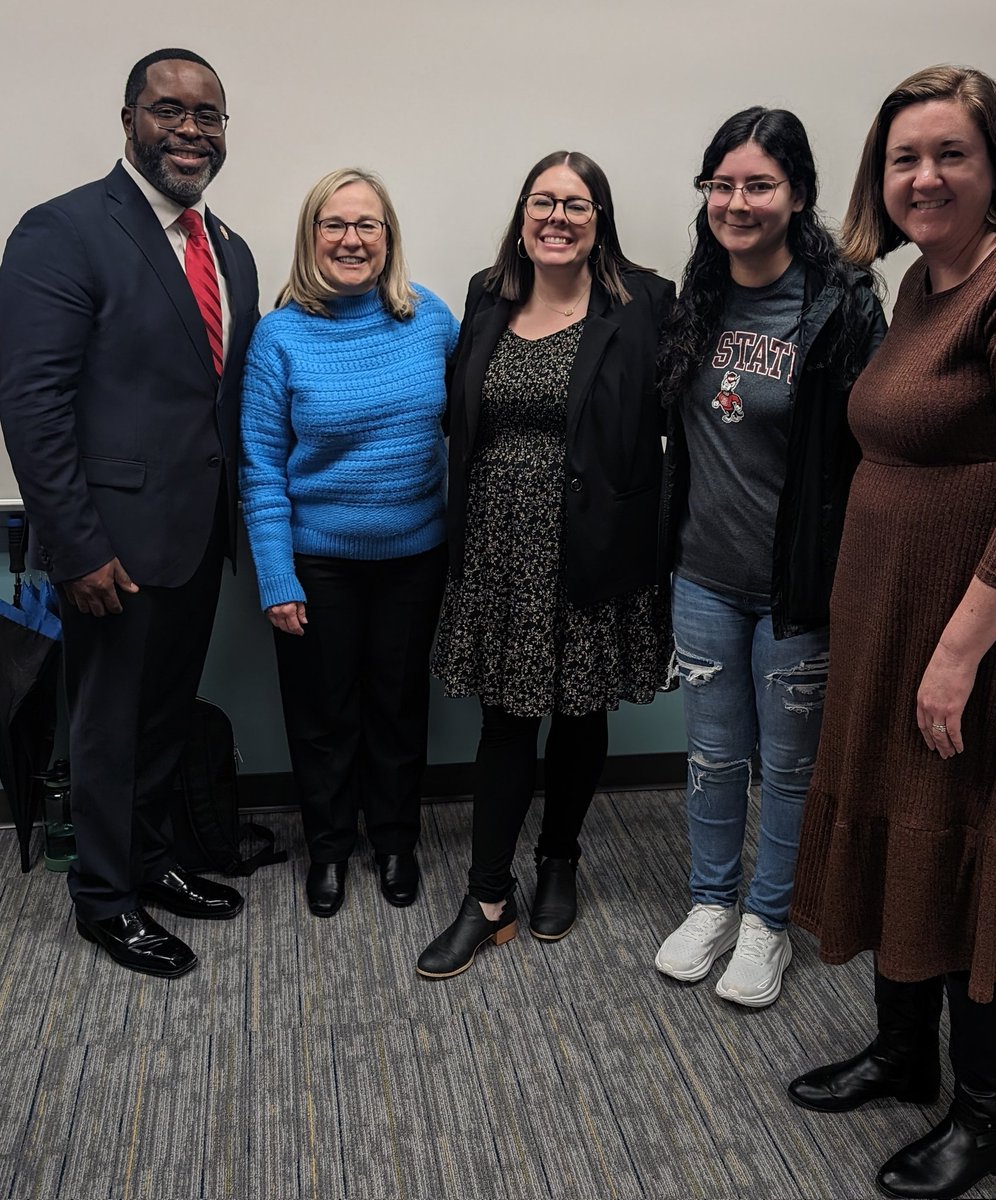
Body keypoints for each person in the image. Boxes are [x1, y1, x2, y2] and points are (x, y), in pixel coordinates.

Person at [787, 65, 996, 1200]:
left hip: (986, 632)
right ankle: (899, 1050)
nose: (922, 177)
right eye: (902, 158)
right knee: (901, 821)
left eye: (949, 154)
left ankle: (987, 1115)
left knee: (973, 834)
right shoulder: (924, 284)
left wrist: (959, 651)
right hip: (892, 615)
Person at [0, 49, 259, 978]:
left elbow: (215, 396)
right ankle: (105, 900)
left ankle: (156, 860)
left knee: (161, 718)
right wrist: (73, 546)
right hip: (107, 545)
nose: (192, 130)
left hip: (194, 538)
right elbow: (32, 404)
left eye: (210, 116)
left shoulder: (228, 247)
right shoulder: (62, 230)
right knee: (106, 727)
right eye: (170, 111)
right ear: (128, 120)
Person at [417, 151, 675, 979]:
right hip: (499, 545)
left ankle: (559, 859)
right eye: (543, 202)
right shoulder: (485, 296)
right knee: (505, 720)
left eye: (577, 204)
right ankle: (487, 898)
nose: (557, 217)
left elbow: (679, 419)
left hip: (595, 540)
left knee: (581, 710)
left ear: (600, 219)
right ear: (521, 215)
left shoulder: (643, 304)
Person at [653, 109, 885, 1007]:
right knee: (713, 758)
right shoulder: (699, 297)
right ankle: (711, 903)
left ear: (797, 196)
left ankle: (767, 920)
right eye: (722, 184)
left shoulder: (842, 304)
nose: (737, 201)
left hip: (799, 591)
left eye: (759, 185)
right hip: (703, 579)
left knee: (789, 767)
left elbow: (869, 453)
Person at [239, 169, 457, 918]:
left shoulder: (429, 318)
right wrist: (276, 576)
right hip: (317, 561)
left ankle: (395, 840)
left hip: (415, 556)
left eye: (368, 225)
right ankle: (329, 849)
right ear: (311, 237)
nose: (352, 239)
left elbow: (471, 427)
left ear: (388, 237)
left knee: (398, 707)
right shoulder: (280, 336)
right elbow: (261, 468)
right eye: (334, 224)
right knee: (323, 714)